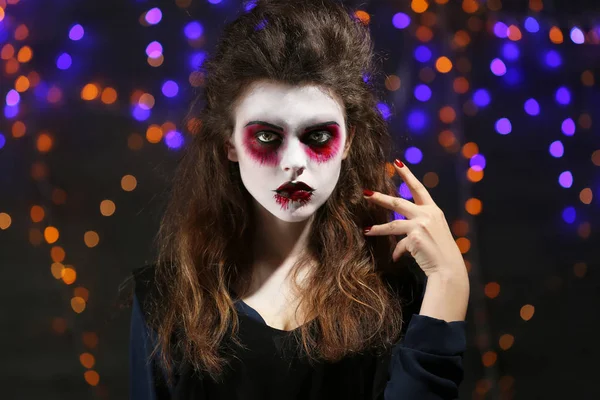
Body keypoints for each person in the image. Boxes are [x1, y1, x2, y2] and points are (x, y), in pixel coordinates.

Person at [129, 0, 470, 399]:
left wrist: (449, 283)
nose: (294, 164)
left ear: (349, 142)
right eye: (268, 137)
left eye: (319, 137)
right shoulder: (165, 298)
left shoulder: (399, 297)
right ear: (230, 144)